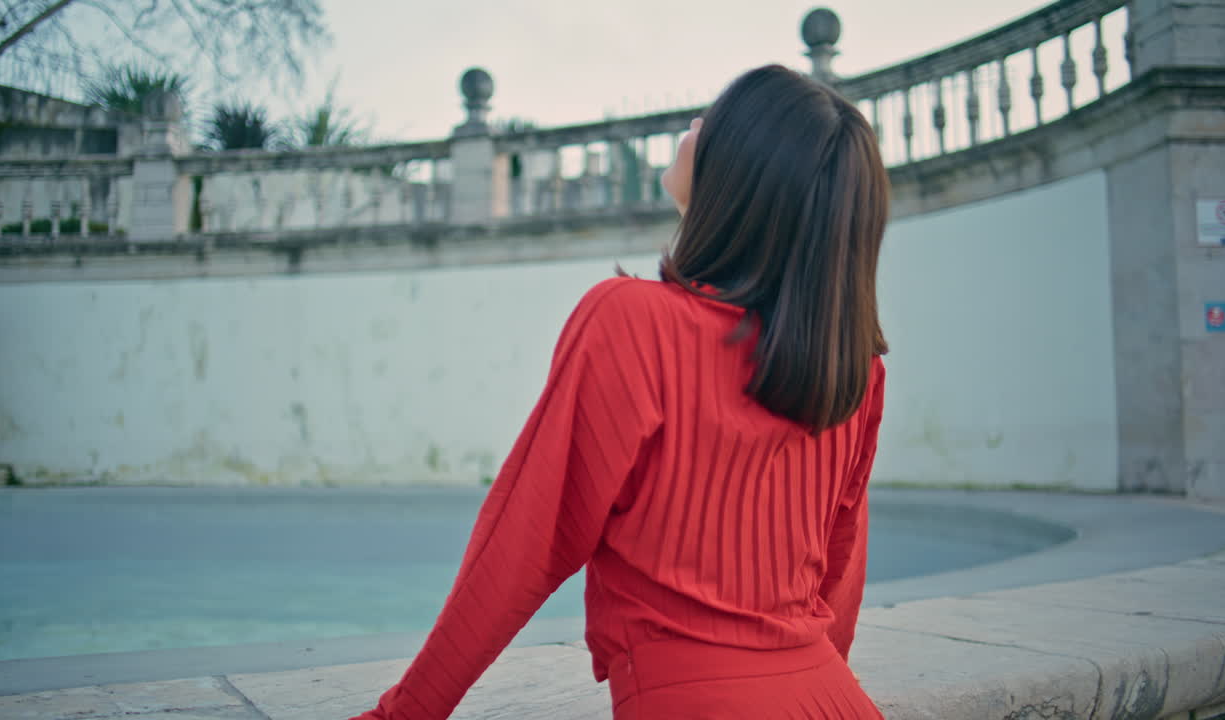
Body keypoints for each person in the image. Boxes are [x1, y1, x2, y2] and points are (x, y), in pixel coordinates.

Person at [353, 63, 890, 719]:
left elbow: (522, 543)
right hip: (831, 698)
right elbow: (838, 582)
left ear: (741, 171)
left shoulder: (632, 323)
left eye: (714, 119)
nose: (696, 123)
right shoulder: (853, 369)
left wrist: (405, 713)